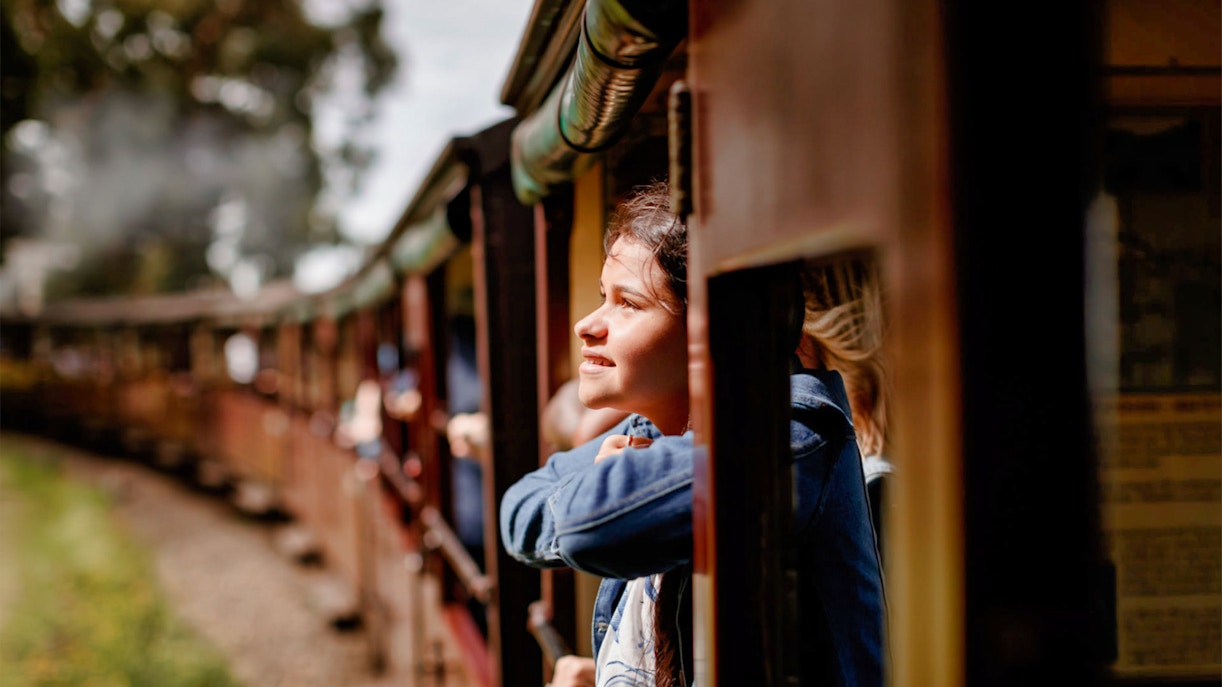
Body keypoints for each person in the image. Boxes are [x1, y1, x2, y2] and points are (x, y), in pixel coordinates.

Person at [499, 180, 886, 687]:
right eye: (601, 297)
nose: (587, 325)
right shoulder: (654, 431)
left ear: (709, 331)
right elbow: (518, 507)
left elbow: (589, 527)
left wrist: (601, 488)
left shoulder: (790, 435)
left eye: (629, 304)